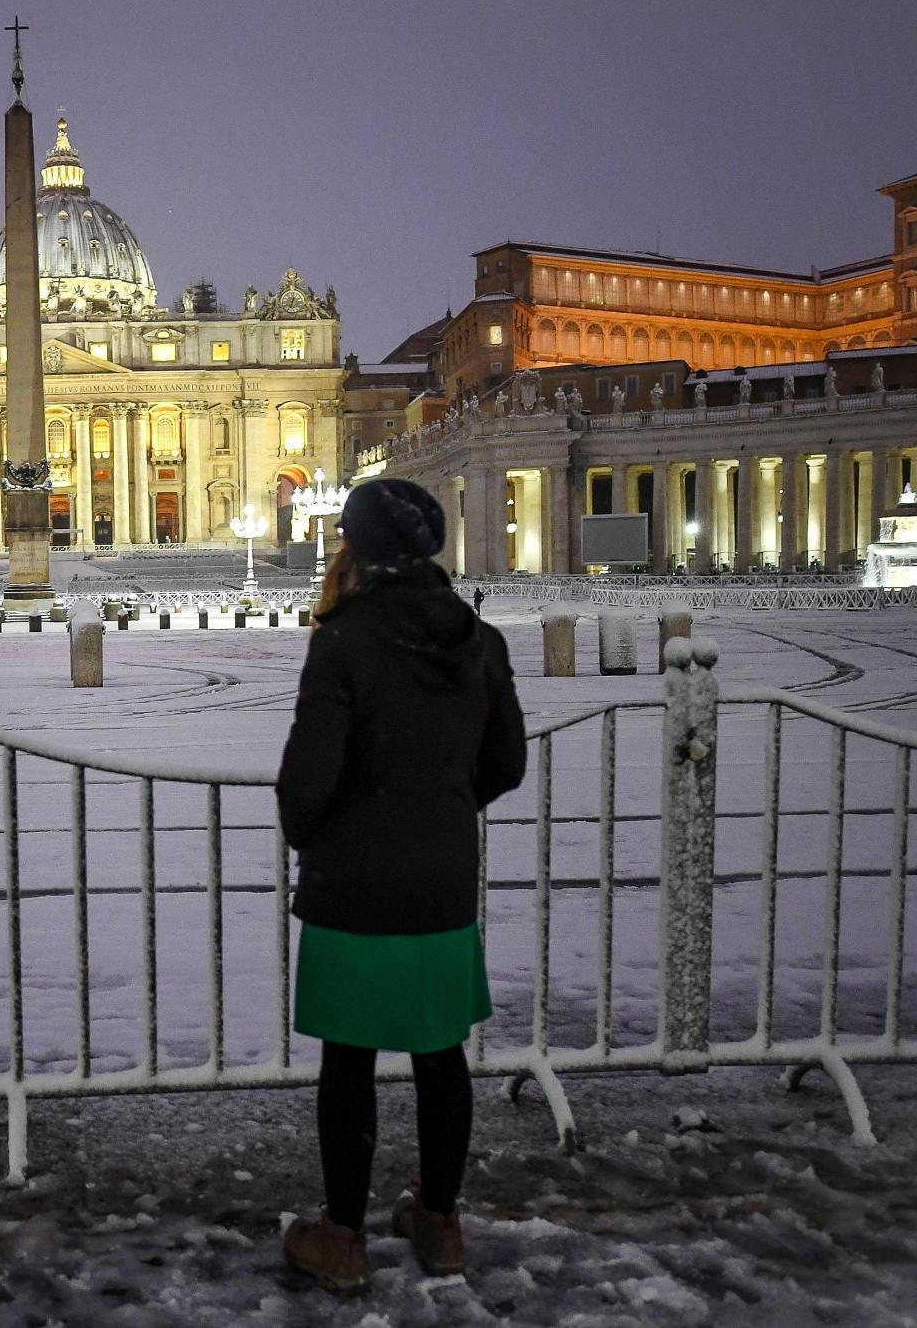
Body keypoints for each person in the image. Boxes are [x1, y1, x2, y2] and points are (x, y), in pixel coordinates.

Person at [275, 478, 526, 1291]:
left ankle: (343, 1236)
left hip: (355, 882)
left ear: (356, 547)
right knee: (439, 1055)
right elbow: (506, 764)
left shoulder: (343, 640)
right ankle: (441, 1222)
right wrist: (439, 810)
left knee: (347, 1062)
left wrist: (325, 829)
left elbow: (307, 779)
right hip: (440, 882)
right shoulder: (481, 640)